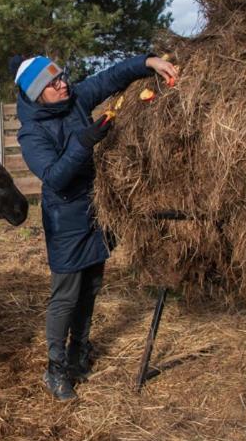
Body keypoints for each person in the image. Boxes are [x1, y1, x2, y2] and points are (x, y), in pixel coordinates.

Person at [12, 52, 178, 400]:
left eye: (61, 77)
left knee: (91, 286)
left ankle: (78, 351)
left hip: (94, 211)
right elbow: (55, 177)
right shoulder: (31, 134)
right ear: (37, 94)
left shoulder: (74, 101)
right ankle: (55, 369)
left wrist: (147, 63)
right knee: (66, 295)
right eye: (53, 83)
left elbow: (109, 78)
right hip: (66, 219)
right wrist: (84, 142)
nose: (63, 84)